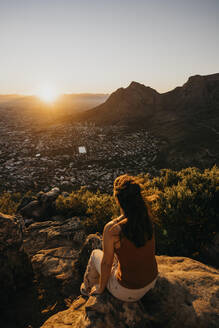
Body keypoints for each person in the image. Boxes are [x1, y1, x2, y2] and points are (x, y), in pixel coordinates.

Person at [80, 174, 158, 302]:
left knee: (95, 254)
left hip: (128, 291)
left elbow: (106, 263)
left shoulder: (112, 229)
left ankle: (88, 288)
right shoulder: (145, 217)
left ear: (118, 199)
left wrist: (101, 288)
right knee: (117, 255)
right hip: (151, 281)